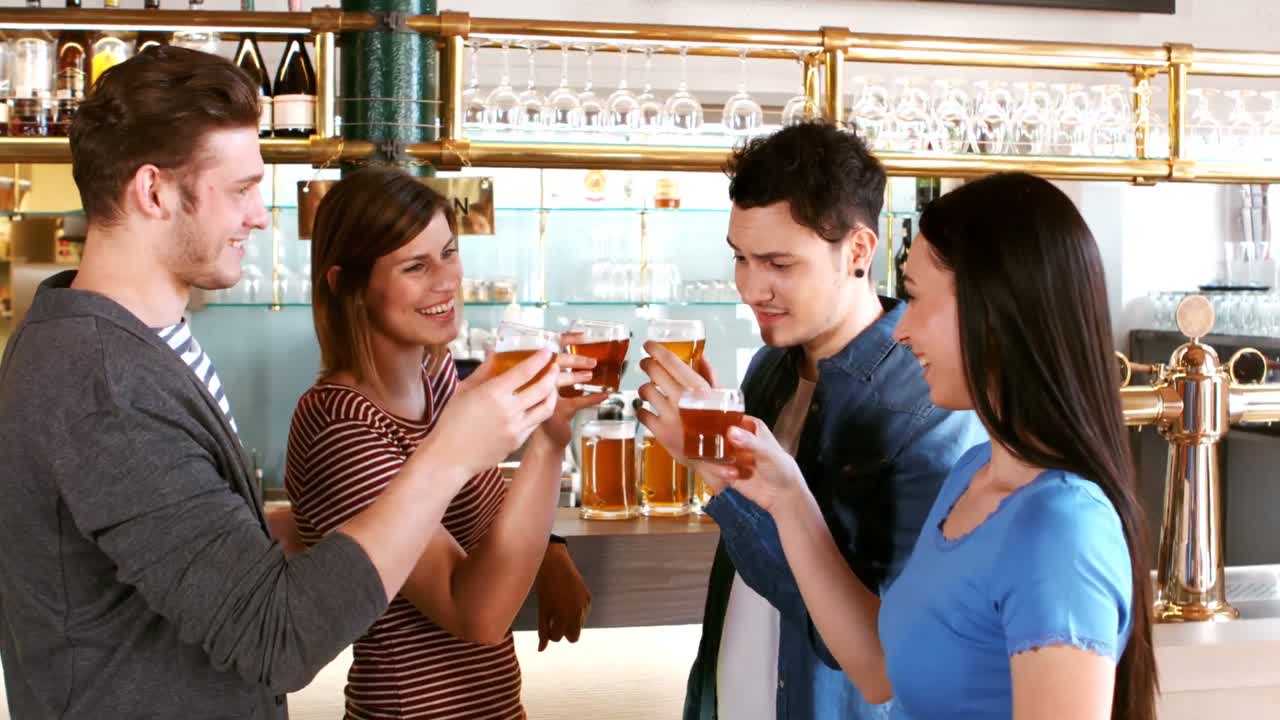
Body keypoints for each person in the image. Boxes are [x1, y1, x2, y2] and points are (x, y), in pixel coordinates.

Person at [0, 46, 563, 719]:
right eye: (239, 191)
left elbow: (178, 541)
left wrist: (316, 518)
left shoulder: (127, 345)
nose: (261, 217)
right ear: (152, 191)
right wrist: (447, 455)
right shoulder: (103, 383)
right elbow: (277, 639)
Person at [701, 172, 1158, 719]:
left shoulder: (1061, 527)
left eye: (915, 299)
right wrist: (785, 496)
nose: (900, 329)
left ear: (994, 311)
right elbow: (878, 671)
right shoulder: (973, 475)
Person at [637, 122, 986, 720]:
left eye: (778, 263)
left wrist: (713, 470)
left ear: (857, 251)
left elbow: (870, 649)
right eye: (741, 258)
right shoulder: (771, 369)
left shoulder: (930, 405)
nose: (751, 287)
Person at [285, 166, 601, 719]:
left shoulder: (436, 377)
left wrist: (549, 546)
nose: (446, 280)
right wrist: (549, 441)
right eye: (415, 266)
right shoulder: (338, 424)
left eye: (449, 253)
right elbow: (475, 612)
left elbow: (478, 506)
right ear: (346, 285)